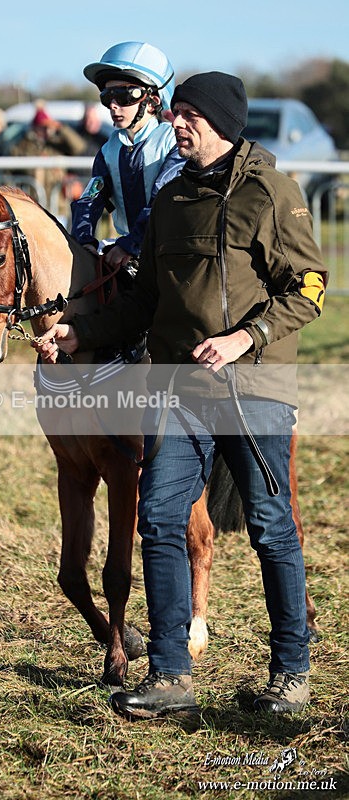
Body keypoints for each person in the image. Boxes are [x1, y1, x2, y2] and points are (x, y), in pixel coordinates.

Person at [34, 72, 328, 719]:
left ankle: (291, 673)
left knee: (270, 526)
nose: (177, 123)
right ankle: (170, 675)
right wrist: (80, 335)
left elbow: (308, 285)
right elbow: (145, 300)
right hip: (175, 387)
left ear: (221, 121)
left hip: (253, 386)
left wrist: (244, 337)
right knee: (160, 520)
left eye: (190, 114)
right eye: (177, 113)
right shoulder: (170, 199)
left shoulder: (270, 191)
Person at [70, 41, 184, 270]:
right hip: (129, 251)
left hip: (173, 252)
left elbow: (161, 203)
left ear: (153, 102)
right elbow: (90, 201)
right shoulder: (108, 150)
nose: (113, 105)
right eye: (107, 96)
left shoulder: (174, 142)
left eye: (124, 96)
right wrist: (83, 241)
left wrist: (130, 245)